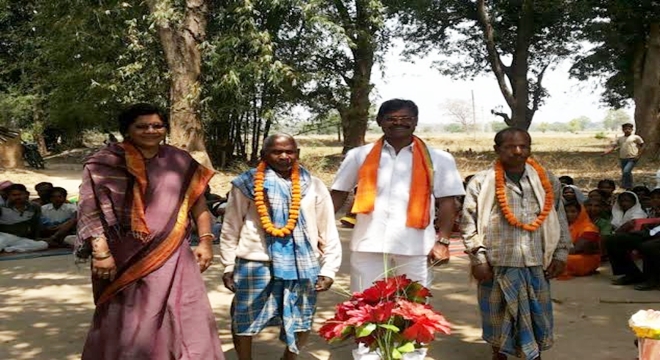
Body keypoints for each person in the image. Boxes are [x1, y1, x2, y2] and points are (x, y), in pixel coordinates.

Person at [75, 103, 223, 359]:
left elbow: (197, 202)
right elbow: (90, 209)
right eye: (141, 126)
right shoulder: (104, 163)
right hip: (124, 256)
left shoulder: (179, 160)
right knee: (131, 316)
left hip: (174, 252)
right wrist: (100, 252)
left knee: (185, 310)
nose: (151, 131)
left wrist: (206, 241)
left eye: (157, 125)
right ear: (127, 130)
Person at [220, 134, 341, 360]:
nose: (284, 156)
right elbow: (231, 226)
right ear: (263, 155)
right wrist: (228, 266)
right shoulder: (247, 184)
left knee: (302, 316)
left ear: (297, 154)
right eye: (276, 151)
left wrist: (329, 269)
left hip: (302, 264)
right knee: (244, 315)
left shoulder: (314, 185)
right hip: (255, 261)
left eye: (290, 151)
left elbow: (327, 229)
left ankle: (289, 358)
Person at [330, 98, 464, 292]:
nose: (399, 123)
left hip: (416, 246)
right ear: (379, 121)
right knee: (362, 305)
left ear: (416, 121)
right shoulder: (359, 155)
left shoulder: (439, 159)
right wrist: (320, 231)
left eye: (405, 118)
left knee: (414, 308)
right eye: (391, 118)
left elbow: (447, 203)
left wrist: (442, 241)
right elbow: (338, 193)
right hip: (368, 243)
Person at [461, 127, 571, 360]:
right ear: (497, 149)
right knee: (497, 315)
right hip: (496, 262)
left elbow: (559, 216)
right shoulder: (481, 182)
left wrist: (561, 253)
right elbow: (468, 222)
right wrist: (478, 258)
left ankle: (534, 354)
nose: (518, 151)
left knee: (537, 314)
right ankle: (498, 353)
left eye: (524, 146)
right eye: (510, 147)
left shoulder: (546, 179)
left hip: (536, 261)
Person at [605, 223, 660, 291]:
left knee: (648, 246)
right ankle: (632, 275)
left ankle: (652, 279)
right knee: (613, 240)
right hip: (650, 232)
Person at [0, 183, 48, 252]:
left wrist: (35, 238)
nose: (18, 197)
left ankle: (10, 249)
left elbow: (35, 224)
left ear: (26, 194)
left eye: (20, 194)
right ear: (9, 196)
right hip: (3, 236)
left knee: (43, 245)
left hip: (20, 238)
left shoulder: (34, 207)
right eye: (14, 195)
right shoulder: (1, 208)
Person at [559, 201, 601, 279]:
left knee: (563, 260)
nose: (569, 215)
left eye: (573, 212)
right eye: (566, 212)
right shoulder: (564, 226)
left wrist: (556, 254)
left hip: (585, 258)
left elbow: (576, 249)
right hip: (568, 253)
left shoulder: (589, 228)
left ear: (581, 213)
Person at [603, 123, 644, 190]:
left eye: (629, 129)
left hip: (632, 157)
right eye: (625, 129)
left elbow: (643, 146)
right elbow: (614, 147)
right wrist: (606, 152)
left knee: (626, 171)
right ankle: (628, 185)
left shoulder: (636, 137)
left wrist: (638, 155)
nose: (627, 130)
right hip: (623, 158)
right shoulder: (620, 138)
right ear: (623, 130)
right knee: (626, 172)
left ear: (632, 129)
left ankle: (626, 185)